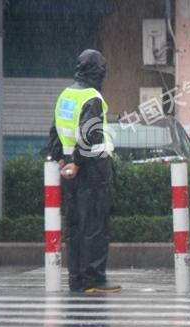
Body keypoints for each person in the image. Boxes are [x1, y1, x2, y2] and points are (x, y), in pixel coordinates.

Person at [43, 49, 120, 293]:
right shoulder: (92, 97)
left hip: (69, 171)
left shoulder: (66, 94)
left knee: (74, 225)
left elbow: (56, 129)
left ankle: (76, 277)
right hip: (93, 168)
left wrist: (62, 160)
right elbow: (91, 134)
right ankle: (94, 278)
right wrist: (77, 162)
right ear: (99, 72)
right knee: (95, 224)